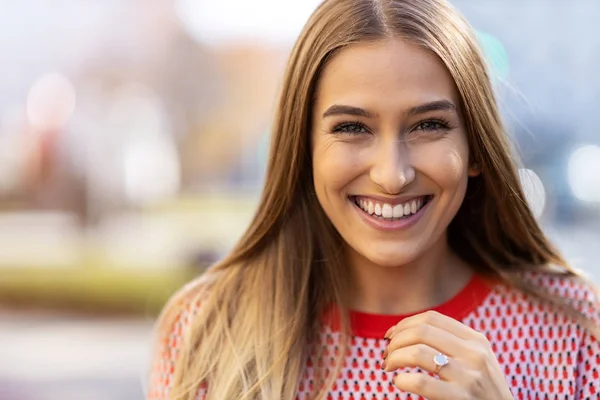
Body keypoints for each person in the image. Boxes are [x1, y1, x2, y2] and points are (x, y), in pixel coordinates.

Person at [148, 0, 600, 399]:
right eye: (351, 128)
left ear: (476, 149)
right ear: (303, 148)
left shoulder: (576, 331)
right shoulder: (205, 330)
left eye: (428, 125)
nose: (392, 175)